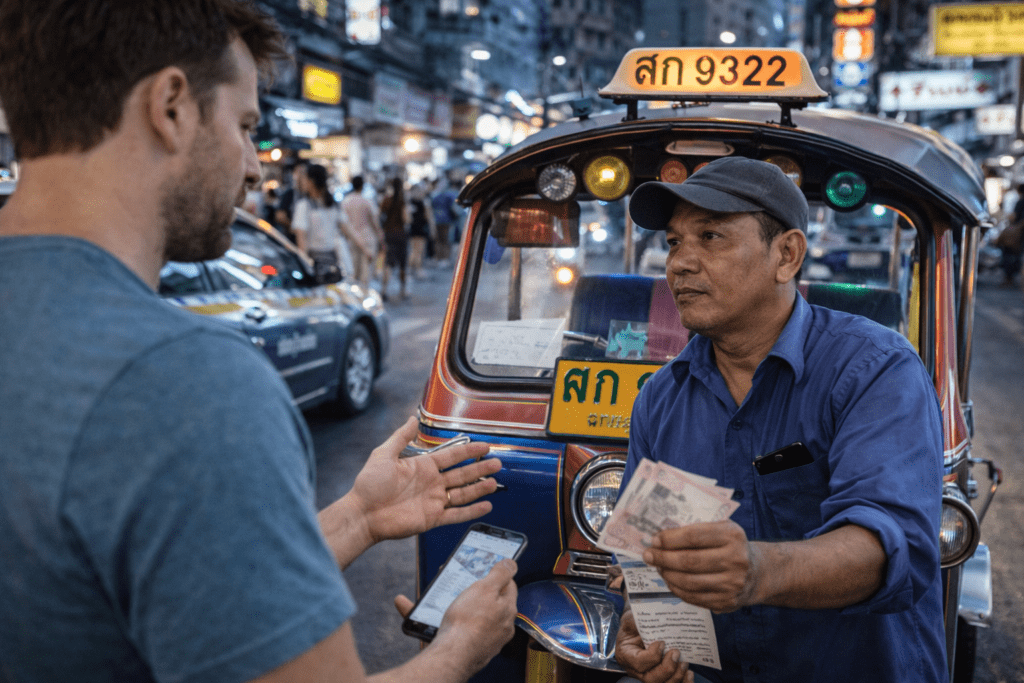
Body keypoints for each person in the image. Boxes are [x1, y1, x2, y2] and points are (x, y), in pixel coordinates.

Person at [0, 3, 518, 683]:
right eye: (245, 126)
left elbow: (193, 595)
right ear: (171, 107)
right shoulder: (186, 382)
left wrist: (360, 516)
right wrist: (459, 649)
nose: (253, 168)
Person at [615, 157, 946, 683]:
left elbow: (889, 546)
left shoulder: (873, 370)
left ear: (786, 255)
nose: (679, 263)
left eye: (711, 237)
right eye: (675, 243)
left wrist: (757, 572)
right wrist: (647, 630)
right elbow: (647, 562)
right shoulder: (661, 398)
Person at [293, 162, 355, 279]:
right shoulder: (333, 205)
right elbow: (348, 230)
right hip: (332, 259)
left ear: (311, 181)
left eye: (305, 179)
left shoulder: (305, 206)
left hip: (318, 260)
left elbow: (302, 239)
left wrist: (305, 266)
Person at [342, 174, 385, 288]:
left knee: (353, 270)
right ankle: (364, 292)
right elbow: (375, 222)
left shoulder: (346, 201)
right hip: (367, 238)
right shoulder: (367, 201)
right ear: (362, 186)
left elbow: (343, 223)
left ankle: (355, 292)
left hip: (352, 239)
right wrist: (380, 237)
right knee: (366, 272)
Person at [380, 176, 410, 300]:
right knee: (402, 264)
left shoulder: (386, 200)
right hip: (401, 234)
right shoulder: (402, 201)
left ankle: (384, 290)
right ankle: (403, 290)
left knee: (388, 263)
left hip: (389, 234)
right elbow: (406, 219)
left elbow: (380, 215)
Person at [996, 183, 1024, 287]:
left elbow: (1014, 217)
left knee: (1009, 254)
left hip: (1017, 232)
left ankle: (1009, 278)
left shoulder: (1020, 202)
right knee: (1017, 255)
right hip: (1020, 233)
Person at [407, 182, 436, 278]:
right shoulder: (423, 202)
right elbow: (429, 217)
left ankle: (412, 269)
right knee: (418, 251)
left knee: (414, 250)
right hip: (420, 229)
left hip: (414, 229)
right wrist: (432, 228)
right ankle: (417, 269)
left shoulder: (410, 202)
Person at [275, 160, 307, 243]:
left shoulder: (309, 194)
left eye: (303, 174)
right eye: (299, 173)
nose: (301, 177)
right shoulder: (290, 193)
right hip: (291, 238)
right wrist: (293, 226)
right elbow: (279, 216)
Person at [430, 178, 459, 265]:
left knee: (440, 240)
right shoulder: (446, 196)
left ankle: (441, 258)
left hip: (440, 220)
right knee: (444, 240)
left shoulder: (436, 196)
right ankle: (443, 259)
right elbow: (453, 208)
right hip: (444, 220)